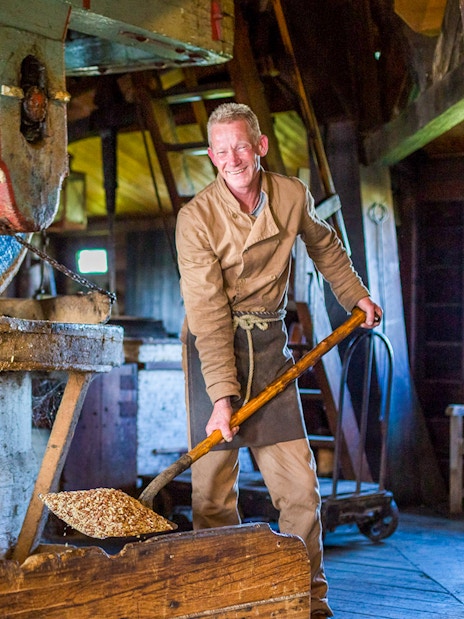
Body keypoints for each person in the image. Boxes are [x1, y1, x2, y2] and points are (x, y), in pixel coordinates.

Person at [175, 102, 382, 618]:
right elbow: (207, 314)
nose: (233, 159)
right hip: (212, 352)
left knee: (300, 491)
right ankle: (219, 602)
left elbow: (325, 246)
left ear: (260, 145)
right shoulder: (195, 218)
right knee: (212, 494)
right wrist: (222, 400)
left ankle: (307, 601)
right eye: (221, 151)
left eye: (241, 146)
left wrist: (355, 295)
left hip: (269, 350)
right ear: (210, 156)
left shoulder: (291, 195)